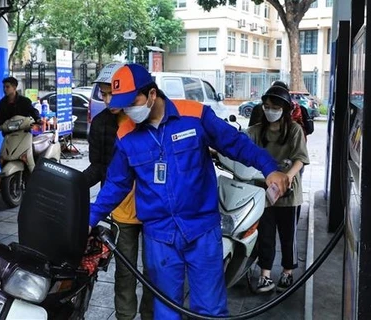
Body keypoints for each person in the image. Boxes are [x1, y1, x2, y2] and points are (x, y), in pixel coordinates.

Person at [88, 64, 289, 318]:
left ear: (152, 94)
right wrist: (90, 218)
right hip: (159, 237)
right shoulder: (126, 134)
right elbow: (117, 183)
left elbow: (235, 144)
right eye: (124, 104)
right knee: (166, 310)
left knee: (210, 309)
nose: (129, 110)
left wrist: (269, 168)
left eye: (132, 101)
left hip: (201, 230)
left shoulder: (194, 115)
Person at [83, 63, 153, 320]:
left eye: (113, 92)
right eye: (103, 93)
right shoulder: (101, 124)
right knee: (125, 270)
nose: (108, 98)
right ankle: (125, 316)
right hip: (121, 213)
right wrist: (74, 186)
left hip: (152, 211)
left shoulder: (146, 118)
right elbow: (98, 167)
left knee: (154, 271)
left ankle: (149, 315)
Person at [245, 85, 310, 293]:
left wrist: (287, 177)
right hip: (264, 193)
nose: (269, 110)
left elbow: (300, 158)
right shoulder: (256, 131)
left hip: (288, 194)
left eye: (274, 107)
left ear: (284, 108)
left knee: (288, 234)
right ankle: (265, 274)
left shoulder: (294, 130)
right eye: (266, 106)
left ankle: (287, 271)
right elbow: (240, 145)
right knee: (265, 233)